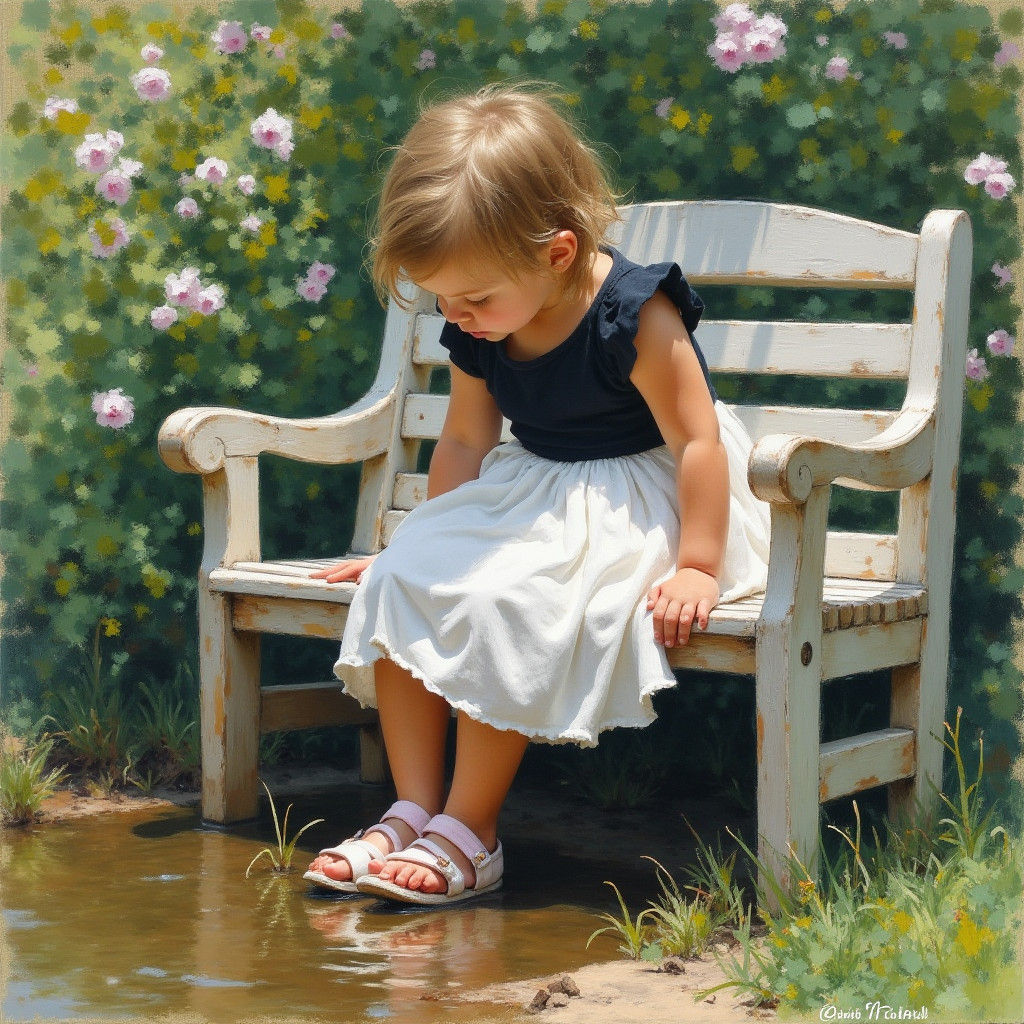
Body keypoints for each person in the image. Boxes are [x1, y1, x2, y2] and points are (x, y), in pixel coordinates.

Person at [303, 83, 770, 906]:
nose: (458, 315)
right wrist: (414, 542)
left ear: (557, 253)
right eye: (442, 299)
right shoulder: (479, 326)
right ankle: (413, 806)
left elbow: (697, 440)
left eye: (474, 298)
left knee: (509, 596)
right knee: (405, 579)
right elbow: (465, 439)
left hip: (647, 494)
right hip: (537, 486)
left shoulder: (634, 313)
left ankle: (472, 828)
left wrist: (698, 565)